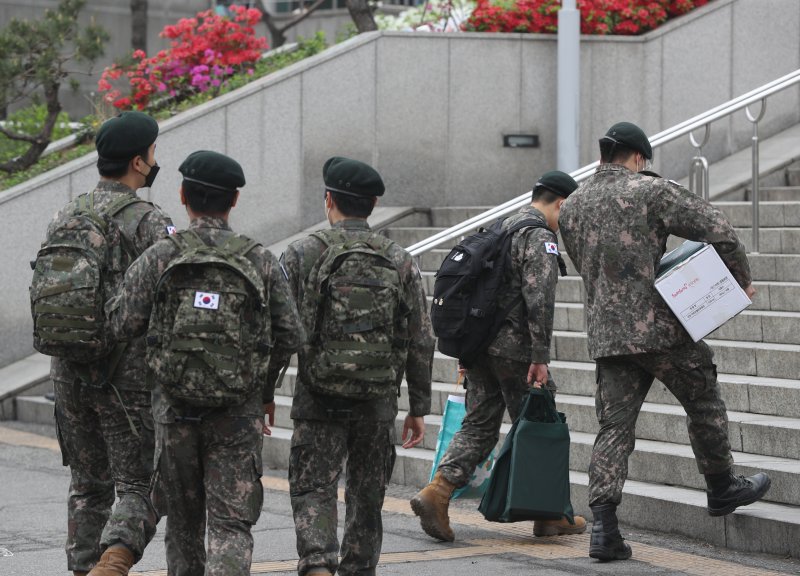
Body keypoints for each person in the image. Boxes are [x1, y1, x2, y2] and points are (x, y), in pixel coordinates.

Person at [558, 121, 771, 562]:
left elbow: (588, 266)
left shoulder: (573, 204)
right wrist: (739, 282)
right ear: (638, 158)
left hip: (607, 334)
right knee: (703, 399)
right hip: (660, 329)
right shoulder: (650, 190)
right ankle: (721, 486)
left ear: (603, 155)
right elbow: (720, 229)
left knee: (614, 428)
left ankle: (605, 530)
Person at [108, 150, 306, 575]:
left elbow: (122, 323)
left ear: (183, 195)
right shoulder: (260, 260)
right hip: (238, 413)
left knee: (182, 524)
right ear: (234, 200)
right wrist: (261, 383)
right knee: (231, 524)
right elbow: (291, 334)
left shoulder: (161, 256)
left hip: (173, 409)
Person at [271, 156, 434, 576]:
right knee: (367, 494)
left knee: (313, 487)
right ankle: (358, 568)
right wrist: (418, 406)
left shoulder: (303, 253)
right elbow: (421, 337)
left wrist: (263, 394)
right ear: (373, 204)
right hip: (377, 400)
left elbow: (279, 333)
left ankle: (318, 564)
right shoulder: (399, 259)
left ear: (329, 200)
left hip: (318, 397)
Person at [410, 171, 587, 542]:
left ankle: (437, 492)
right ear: (562, 202)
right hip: (516, 350)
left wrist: (465, 349)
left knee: (479, 424)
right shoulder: (539, 236)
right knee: (542, 424)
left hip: (479, 345)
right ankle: (549, 512)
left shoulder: (500, 228)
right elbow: (540, 299)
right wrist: (540, 355)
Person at [40, 111, 173, 576]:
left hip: (67, 369)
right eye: (153, 152)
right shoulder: (147, 221)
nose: (156, 160)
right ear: (139, 162)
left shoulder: (66, 213)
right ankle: (112, 563)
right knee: (140, 485)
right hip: (125, 378)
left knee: (87, 486)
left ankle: (82, 569)